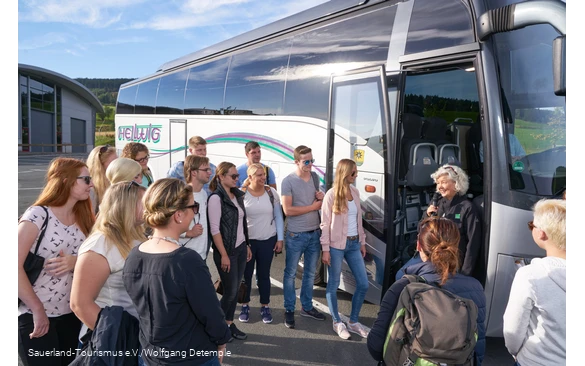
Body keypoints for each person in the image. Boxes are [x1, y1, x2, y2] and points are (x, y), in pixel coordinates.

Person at [123, 178, 231, 365]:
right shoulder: (186, 261)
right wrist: (222, 340)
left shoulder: (134, 255)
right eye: (193, 206)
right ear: (178, 215)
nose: (195, 211)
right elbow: (210, 312)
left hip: (150, 355)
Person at [368, 217, 486, 366]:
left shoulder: (403, 286)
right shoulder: (476, 288)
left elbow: (375, 347)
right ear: (456, 247)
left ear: (418, 246)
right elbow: (478, 350)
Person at [17, 157, 95, 366]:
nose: (92, 184)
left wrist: (75, 262)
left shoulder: (85, 216)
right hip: (35, 316)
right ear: (66, 181)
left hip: (72, 315)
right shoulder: (38, 215)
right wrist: (37, 310)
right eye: (86, 179)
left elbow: (94, 260)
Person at [70, 180, 147, 365]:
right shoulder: (100, 245)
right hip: (114, 346)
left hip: (137, 339)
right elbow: (79, 304)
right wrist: (116, 338)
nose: (149, 206)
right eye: (144, 201)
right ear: (126, 205)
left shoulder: (137, 236)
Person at [503, 199, 567, 366]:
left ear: (541, 233)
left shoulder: (530, 275)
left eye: (532, 225)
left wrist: (515, 353)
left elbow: (512, 331)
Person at [396, 164, 482, 279]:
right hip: (429, 255)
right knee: (400, 275)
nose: (440, 187)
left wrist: (465, 274)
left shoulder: (467, 208)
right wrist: (427, 216)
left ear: (456, 183)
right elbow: (420, 230)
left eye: (444, 182)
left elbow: (473, 244)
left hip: (450, 261)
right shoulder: (437, 203)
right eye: (438, 183)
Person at [320, 158, 369, 340]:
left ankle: (353, 322)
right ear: (344, 174)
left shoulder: (355, 192)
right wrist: (325, 249)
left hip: (354, 244)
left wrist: (362, 242)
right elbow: (325, 224)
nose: (356, 175)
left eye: (356, 172)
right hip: (336, 246)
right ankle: (337, 322)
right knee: (333, 284)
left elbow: (359, 221)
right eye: (353, 173)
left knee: (363, 284)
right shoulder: (331, 195)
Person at [281, 145, 326, 329]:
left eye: (312, 160)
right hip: (295, 235)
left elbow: (321, 201)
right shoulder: (288, 181)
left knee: (310, 274)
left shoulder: (315, 177)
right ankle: (289, 310)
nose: (310, 164)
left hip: (314, 233)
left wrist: (322, 197)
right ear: (296, 161)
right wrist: (313, 207)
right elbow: (288, 210)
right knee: (290, 274)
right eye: (306, 161)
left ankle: (306, 307)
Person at [208, 162, 253, 340]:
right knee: (230, 292)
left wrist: (247, 244)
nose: (237, 179)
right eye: (233, 176)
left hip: (241, 249)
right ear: (221, 177)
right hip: (227, 252)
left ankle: (228, 324)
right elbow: (214, 230)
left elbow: (242, 223)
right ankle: (213, 326)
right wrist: (224, 255)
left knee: (235, 291)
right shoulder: (215, 198)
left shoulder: (236, 195)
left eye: (237, 176)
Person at [237, 163, 284, 324]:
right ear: (249, 177)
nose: (263, 177)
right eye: (259, 175)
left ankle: (265, 306)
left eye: (263, 174)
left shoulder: (271, 193)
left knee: (264, 275)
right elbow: (238, 221)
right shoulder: (241, 194)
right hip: (248, 242)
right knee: (246, 276)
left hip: (267, 240)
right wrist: (244, 244)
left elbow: (278, 216)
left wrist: (280, 239)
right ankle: (245, 305)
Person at [178, 155, 213, 260]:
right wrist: (188, 233)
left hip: (202, 254)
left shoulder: (203, 193)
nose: (210, 173)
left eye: (209, 169)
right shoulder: (182, 195)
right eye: (206, 170)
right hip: (185, 255)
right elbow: (168, 223)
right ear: (193, 172)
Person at [87, 144, 118, 214]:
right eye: (113, 163)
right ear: (100, 166)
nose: (118, 165)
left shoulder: (117, 184)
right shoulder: (90, 191)